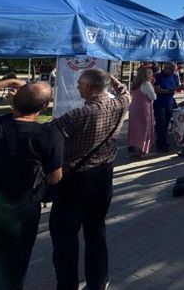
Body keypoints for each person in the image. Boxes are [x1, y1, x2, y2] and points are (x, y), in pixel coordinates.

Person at [50, 69, 130, 290]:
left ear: (89, 88)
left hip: (76, 180)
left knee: (65, 236)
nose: (77, 87)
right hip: (104, 177)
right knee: (95, 231)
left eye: (80, 84)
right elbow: (125, 92)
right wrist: (109, 77)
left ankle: (67, 285)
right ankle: (98, 281)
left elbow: (51, 134)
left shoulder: (77, 116)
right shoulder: (121, 104)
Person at [0, 83, 63, 290]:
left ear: (13, 100)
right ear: (44, 107)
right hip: (22, 212)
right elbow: (55, 177)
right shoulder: (48, 134)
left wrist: (7, 82)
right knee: (12, 272)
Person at [127, 67, 156, 158]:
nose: (152, 75)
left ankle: (136, 150)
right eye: (150, 73)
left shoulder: (135, 84)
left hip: (134, 108)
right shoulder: (146, 84)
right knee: (144, 129)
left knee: (135, 129)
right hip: (143, 109)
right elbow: (153, 97)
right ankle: (143, 151)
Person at [153, 62, 179, 152]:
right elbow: (157, 90)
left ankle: (162, 140)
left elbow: (176, 87)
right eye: (171, 70)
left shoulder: (174, 76)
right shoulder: (158, 76)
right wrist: (169, 90)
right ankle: (162, 144)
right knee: (161, 123)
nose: (172, 72)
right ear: (165, 68)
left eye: (174, 70)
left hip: (169, 103)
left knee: (166, 123)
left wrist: (181, 87)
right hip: (159, 103)